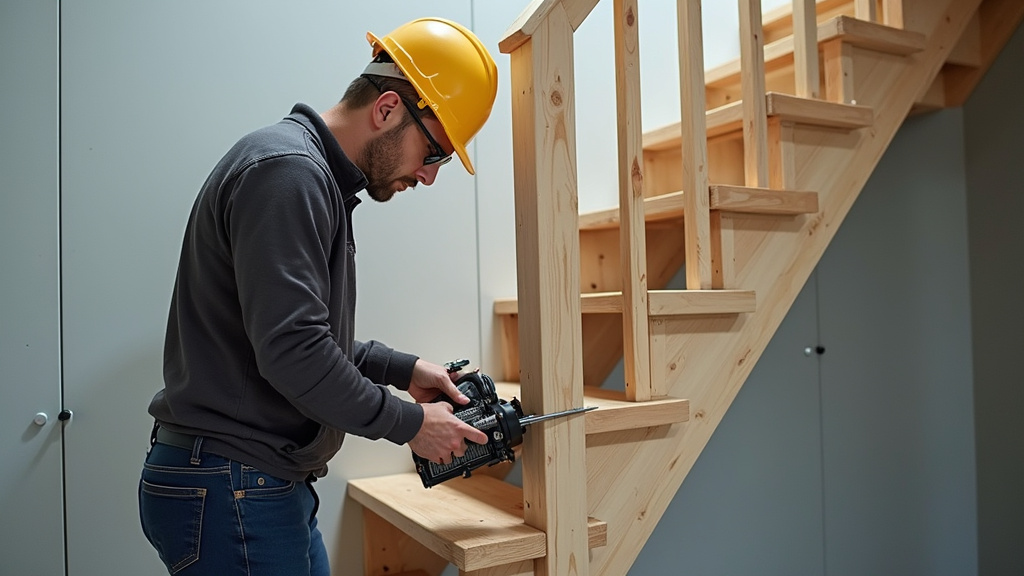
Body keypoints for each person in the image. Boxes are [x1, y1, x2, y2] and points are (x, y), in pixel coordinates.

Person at [138, 17, 497, 575]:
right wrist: (411, 425)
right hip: (235, 486)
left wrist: (402, 369)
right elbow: (294, 352)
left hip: (256, 485)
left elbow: (295, 336)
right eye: (434, 153)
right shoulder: (290, 174)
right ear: (387, 109)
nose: (428, 177)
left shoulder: (306, 174)